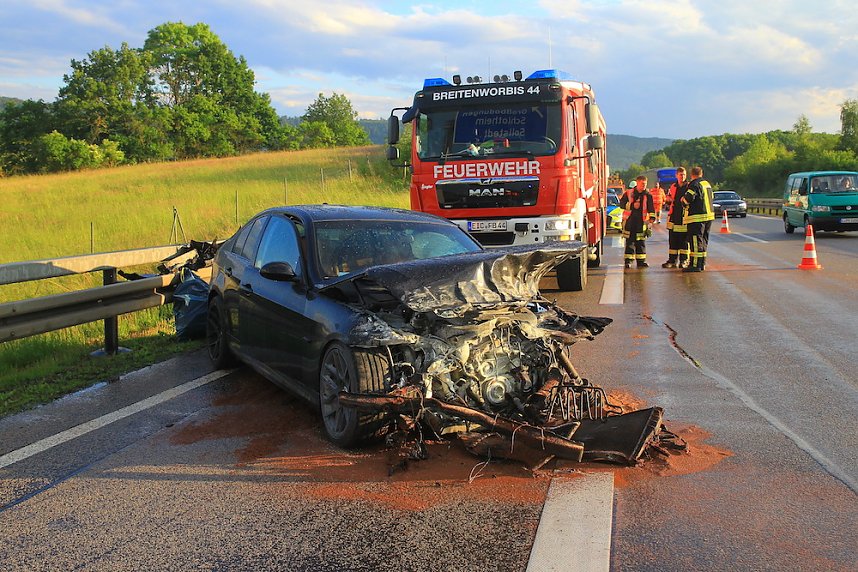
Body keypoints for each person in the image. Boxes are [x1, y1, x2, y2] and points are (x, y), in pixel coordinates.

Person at [681, 166, 715, 272]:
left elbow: (688, 198)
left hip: (697, 218)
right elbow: (711, 197)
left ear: (692, 175)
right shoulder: (707, 184)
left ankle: (695, 265)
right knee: (704, 241)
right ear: (701, 174)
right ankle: (702, 263)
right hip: (708, 217)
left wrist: (683, 200)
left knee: (695, 242)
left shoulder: (694, 184)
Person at [619, 175, 656, 268]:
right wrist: (632, 206)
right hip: (630, 221)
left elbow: (651, 208)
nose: (644, 185)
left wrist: (651, 219)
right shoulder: (629, 193)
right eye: (642, 184)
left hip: (642, 221)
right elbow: (622, 204)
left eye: (645, 184)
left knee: (641, 242)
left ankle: (641, 261)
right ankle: (628, 261)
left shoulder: (648, 195)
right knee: (630, 242)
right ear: (637, 182)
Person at [662, 167, 690, 268]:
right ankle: (672, 260)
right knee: (673, 240)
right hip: (673, 216)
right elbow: (668, 199)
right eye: (680, 175)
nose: (682, 177)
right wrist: (668, 199)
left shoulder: (689, 186)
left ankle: (684, 260)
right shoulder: (673, 186)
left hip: (684, 217)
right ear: (676, 175)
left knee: (684, 241)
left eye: (684, 175)